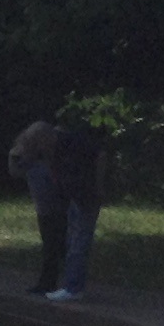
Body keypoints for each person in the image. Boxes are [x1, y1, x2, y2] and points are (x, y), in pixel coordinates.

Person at [49, 119, 107, 301]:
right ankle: (71, 285)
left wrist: (98, 187)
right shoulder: (72, 144)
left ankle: (73, 288)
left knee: (79, 241)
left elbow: (101, 157)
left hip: (85, 195)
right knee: (73, 239)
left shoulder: (77, 144)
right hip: (78, 195)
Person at [7, 120, 65, 296]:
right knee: (50, 247)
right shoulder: (29, 160)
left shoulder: (52, 159)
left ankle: (57, 282)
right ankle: (47, 282)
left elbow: (57, 182)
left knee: (58, 246)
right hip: (43, 209)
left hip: (57, 207)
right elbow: (14, 172)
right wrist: (13, 154)